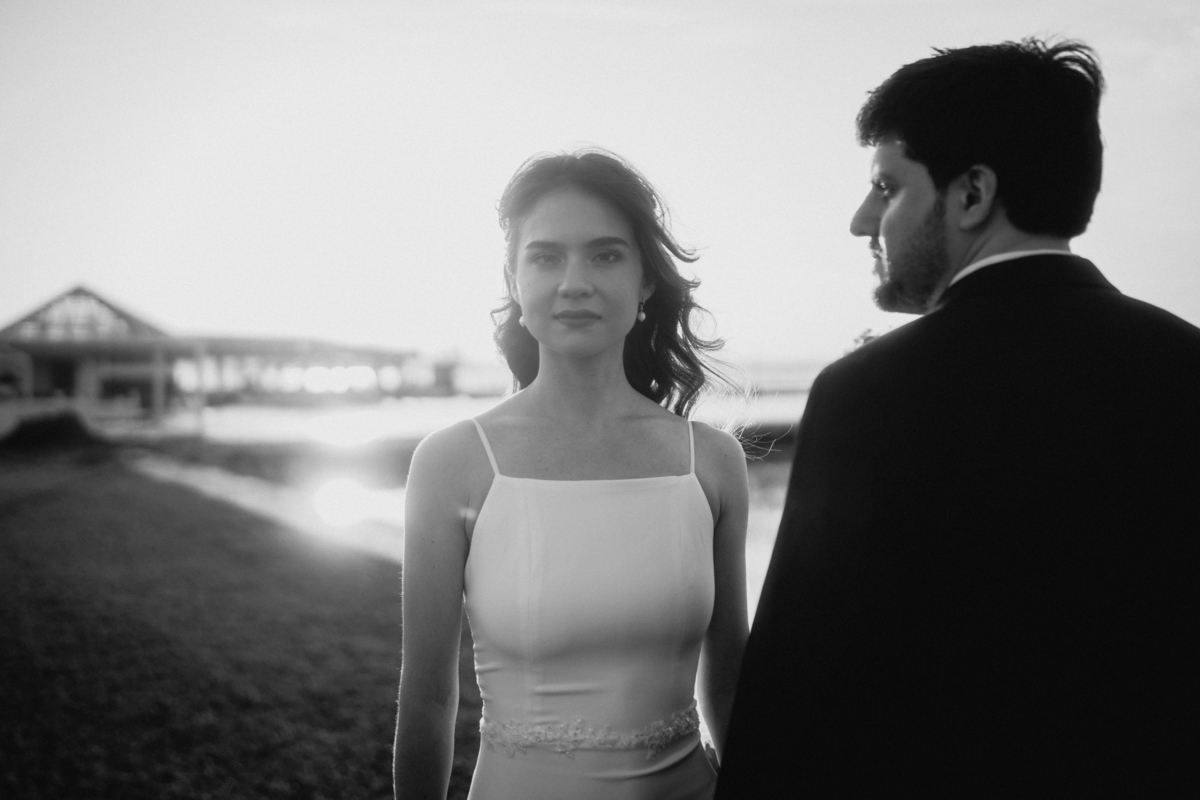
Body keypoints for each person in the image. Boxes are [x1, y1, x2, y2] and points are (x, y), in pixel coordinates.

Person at [717, 38, 1200, 797]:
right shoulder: (1185, 363)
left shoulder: (870, 393)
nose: (861, 221)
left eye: (887, 187)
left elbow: (799, 688)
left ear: (972, 193)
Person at [394, 150, 749, 799]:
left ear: (646, 281)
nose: (574, 282)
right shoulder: (452, 463)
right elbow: (428, 698)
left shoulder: (712, 462)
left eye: (606, 255)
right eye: (546, 257)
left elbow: (727, 686)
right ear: (514, 278)